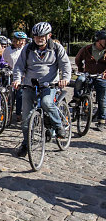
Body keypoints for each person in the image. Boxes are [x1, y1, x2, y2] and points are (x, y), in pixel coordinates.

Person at [12, 22, 71, 157]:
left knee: (46, 102)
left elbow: (65, 65)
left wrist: (65, 78)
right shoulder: (27, 49)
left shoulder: (57, 48)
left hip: (49, 84)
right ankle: (26, 144)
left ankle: (58, 125)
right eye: (36, 36)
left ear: (49, 35)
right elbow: (19, 67)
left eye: (42, 36)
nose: (39, 39)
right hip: (29, 85)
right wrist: (17, 79)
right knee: (26, 117)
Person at [74, 30, 106, 130]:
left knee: (102, 99)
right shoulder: (87, 49)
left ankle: (101, 120)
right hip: (88, 73)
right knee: (79, 80)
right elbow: (78, 59)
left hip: (101, 76)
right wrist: (80, 69)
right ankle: (76, 98)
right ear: (98, 40)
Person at [3, 31, 28, 122]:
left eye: (23, 41)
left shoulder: (26, 49)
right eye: (19, 40)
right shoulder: (8, 50)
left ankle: (18, 113)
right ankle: (7, 112)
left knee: (20, 94)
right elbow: (4, 60)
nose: (21, 42)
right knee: (9, 94)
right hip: (10, 73)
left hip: (22, 75)